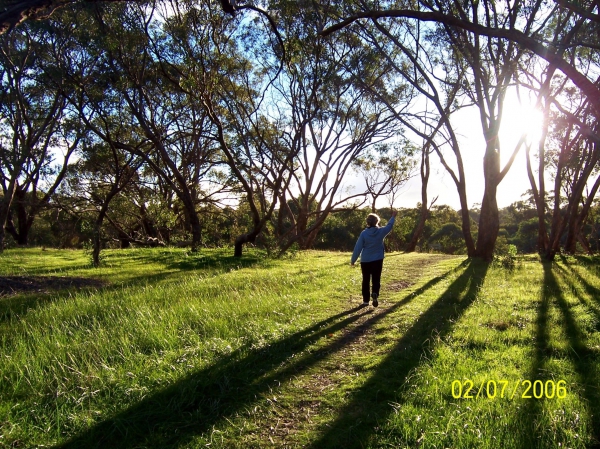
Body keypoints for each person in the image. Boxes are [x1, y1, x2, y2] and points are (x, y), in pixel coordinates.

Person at [350, 210, 397, 307]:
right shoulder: (381, 231)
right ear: (377, 222)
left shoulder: (364, 233)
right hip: (377, 260)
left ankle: (366, 301)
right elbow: (389, 226)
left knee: (365, 280)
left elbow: (358, 247)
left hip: (365, 260)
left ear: (368, 222)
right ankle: (375, 293)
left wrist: (353, 260)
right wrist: (393, 217)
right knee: (376, 279)